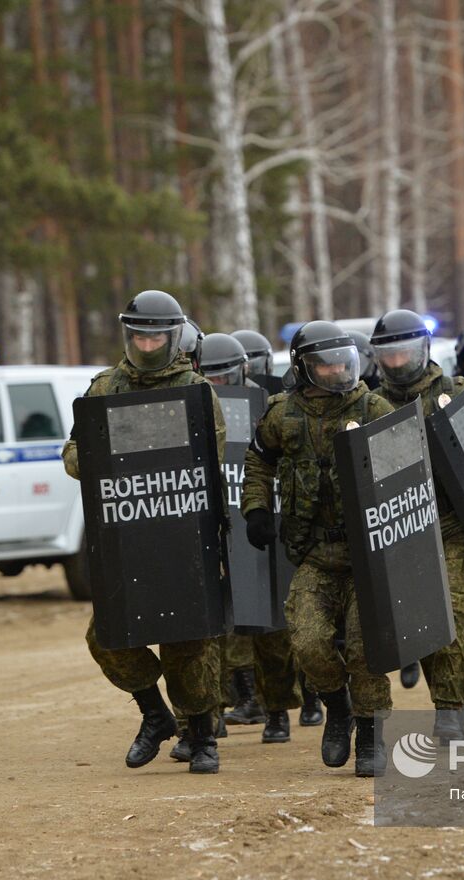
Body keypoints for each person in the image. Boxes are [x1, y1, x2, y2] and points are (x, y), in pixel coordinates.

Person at [61, 290, 226, 774]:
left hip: (182, 532)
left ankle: (202, 737)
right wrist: (93, 458)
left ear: (173, 337)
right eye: (140, 335)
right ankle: (154, 714)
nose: (148, 344)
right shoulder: (105, 388)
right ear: (128, 335)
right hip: (125, 537)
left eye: (157, 335)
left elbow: (212, 457)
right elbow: (73, 453)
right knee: (108, 636)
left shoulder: (196, 390)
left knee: (187, 642)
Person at [241, 321, 397, 776]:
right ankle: (338, 708)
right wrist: (255, 509)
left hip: (368, 555)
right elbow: (257, 461)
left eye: (341, 363)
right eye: (324, 364)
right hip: (313, 554)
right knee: (308, 643)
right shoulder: (281, 415)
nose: (335, 371)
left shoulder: (374, 407)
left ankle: (370, 731)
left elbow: (407, 467)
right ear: (303, 368)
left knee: (367, 648)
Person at [370, 309, 464, 741]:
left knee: (447, 610)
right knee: (417, 616)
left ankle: (451, 709)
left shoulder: (454, 392)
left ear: (420, 349)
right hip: (401, 526)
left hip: (455, 526)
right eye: (389, 353)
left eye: (404, 351)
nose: (397, 361)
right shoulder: (369, 403)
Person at [196, 332, 303, 743]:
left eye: (226, 377)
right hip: (216, 524)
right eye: (212, 378)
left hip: (259, 523)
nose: (220, 386)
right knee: (217, 627)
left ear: (243, 369)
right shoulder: (195, 405)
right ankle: (215, 710)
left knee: (270, 629)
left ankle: (278, 710)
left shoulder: (268, 407)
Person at [231, 329, 325, 729]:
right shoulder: (271, 411)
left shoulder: (273, 405)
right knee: (267, 627)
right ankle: (273, 708)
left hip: (313, 529)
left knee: (305, 628)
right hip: (271, 528)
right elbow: (255, 463)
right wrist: (255, 510)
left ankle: (318, 699)